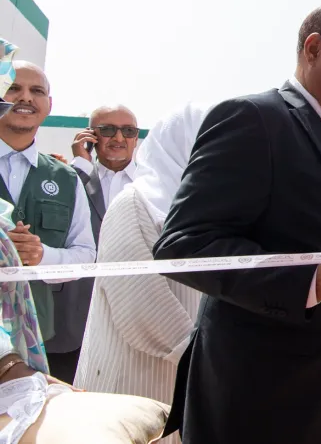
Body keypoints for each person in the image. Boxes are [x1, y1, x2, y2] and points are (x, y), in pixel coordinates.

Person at [153, 4, 321, 444]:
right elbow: (182, 246)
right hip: (268, 398)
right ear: (314, 48)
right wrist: (312, 281)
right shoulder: (252, 120)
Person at [75, 103, 210, 432]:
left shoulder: (207, 211)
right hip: (134, 382)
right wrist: (208, 359)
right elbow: (142, 306)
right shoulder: (135, 204)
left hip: (188, 376)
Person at [0, 61, 96, 383]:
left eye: (37, 91)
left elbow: (85, 255)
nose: (25, 97)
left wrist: (42, 256)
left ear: (49, 105)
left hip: (34, 344)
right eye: (14, 88)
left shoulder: (66, 179)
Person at [47, 104, 141, 384]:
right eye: (108, 130)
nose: (119, 138)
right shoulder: (71, 176)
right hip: (73, 315)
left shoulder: (152, 183)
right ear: (90, 135)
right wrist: (80, 163)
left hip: (131, 311)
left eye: (128, 131)